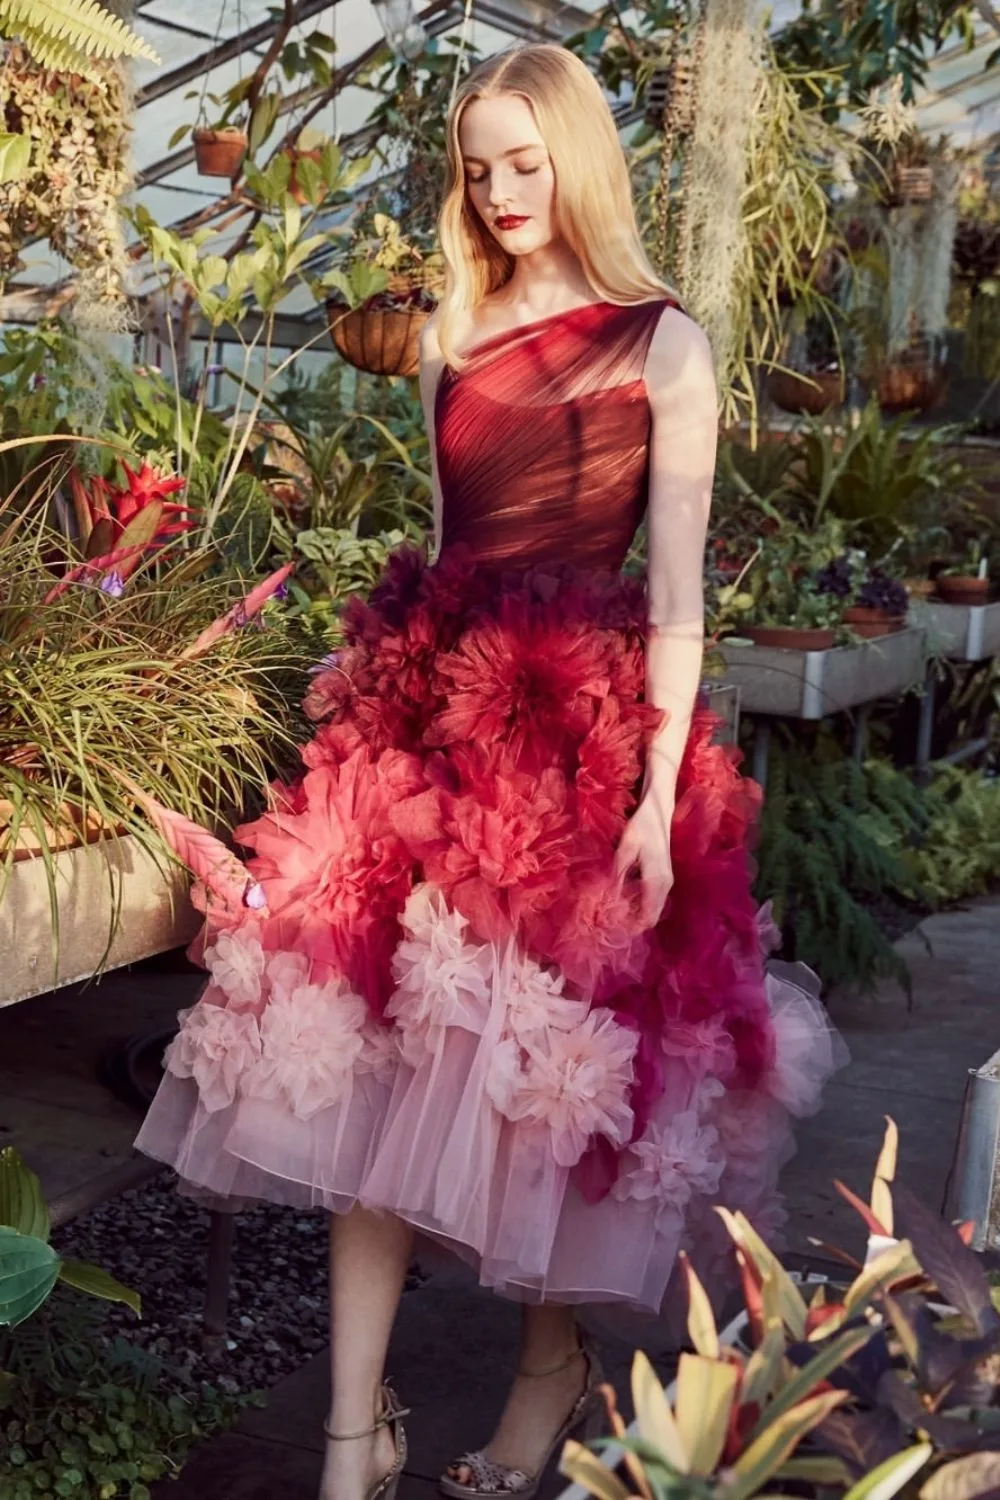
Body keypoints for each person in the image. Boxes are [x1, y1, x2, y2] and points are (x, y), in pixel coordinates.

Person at [135, 40, 842, 1500]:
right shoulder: (453, 325)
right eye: (479, 167)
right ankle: (349, 1440)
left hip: (580, 754)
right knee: (380, 1079)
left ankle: (543, 1374)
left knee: (542, 1097)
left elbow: (675, 597)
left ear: (577, 159)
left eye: (527, 162)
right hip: (425, 738)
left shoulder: (667, 343)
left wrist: (653, 798)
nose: (503, 191)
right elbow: (458, 544)